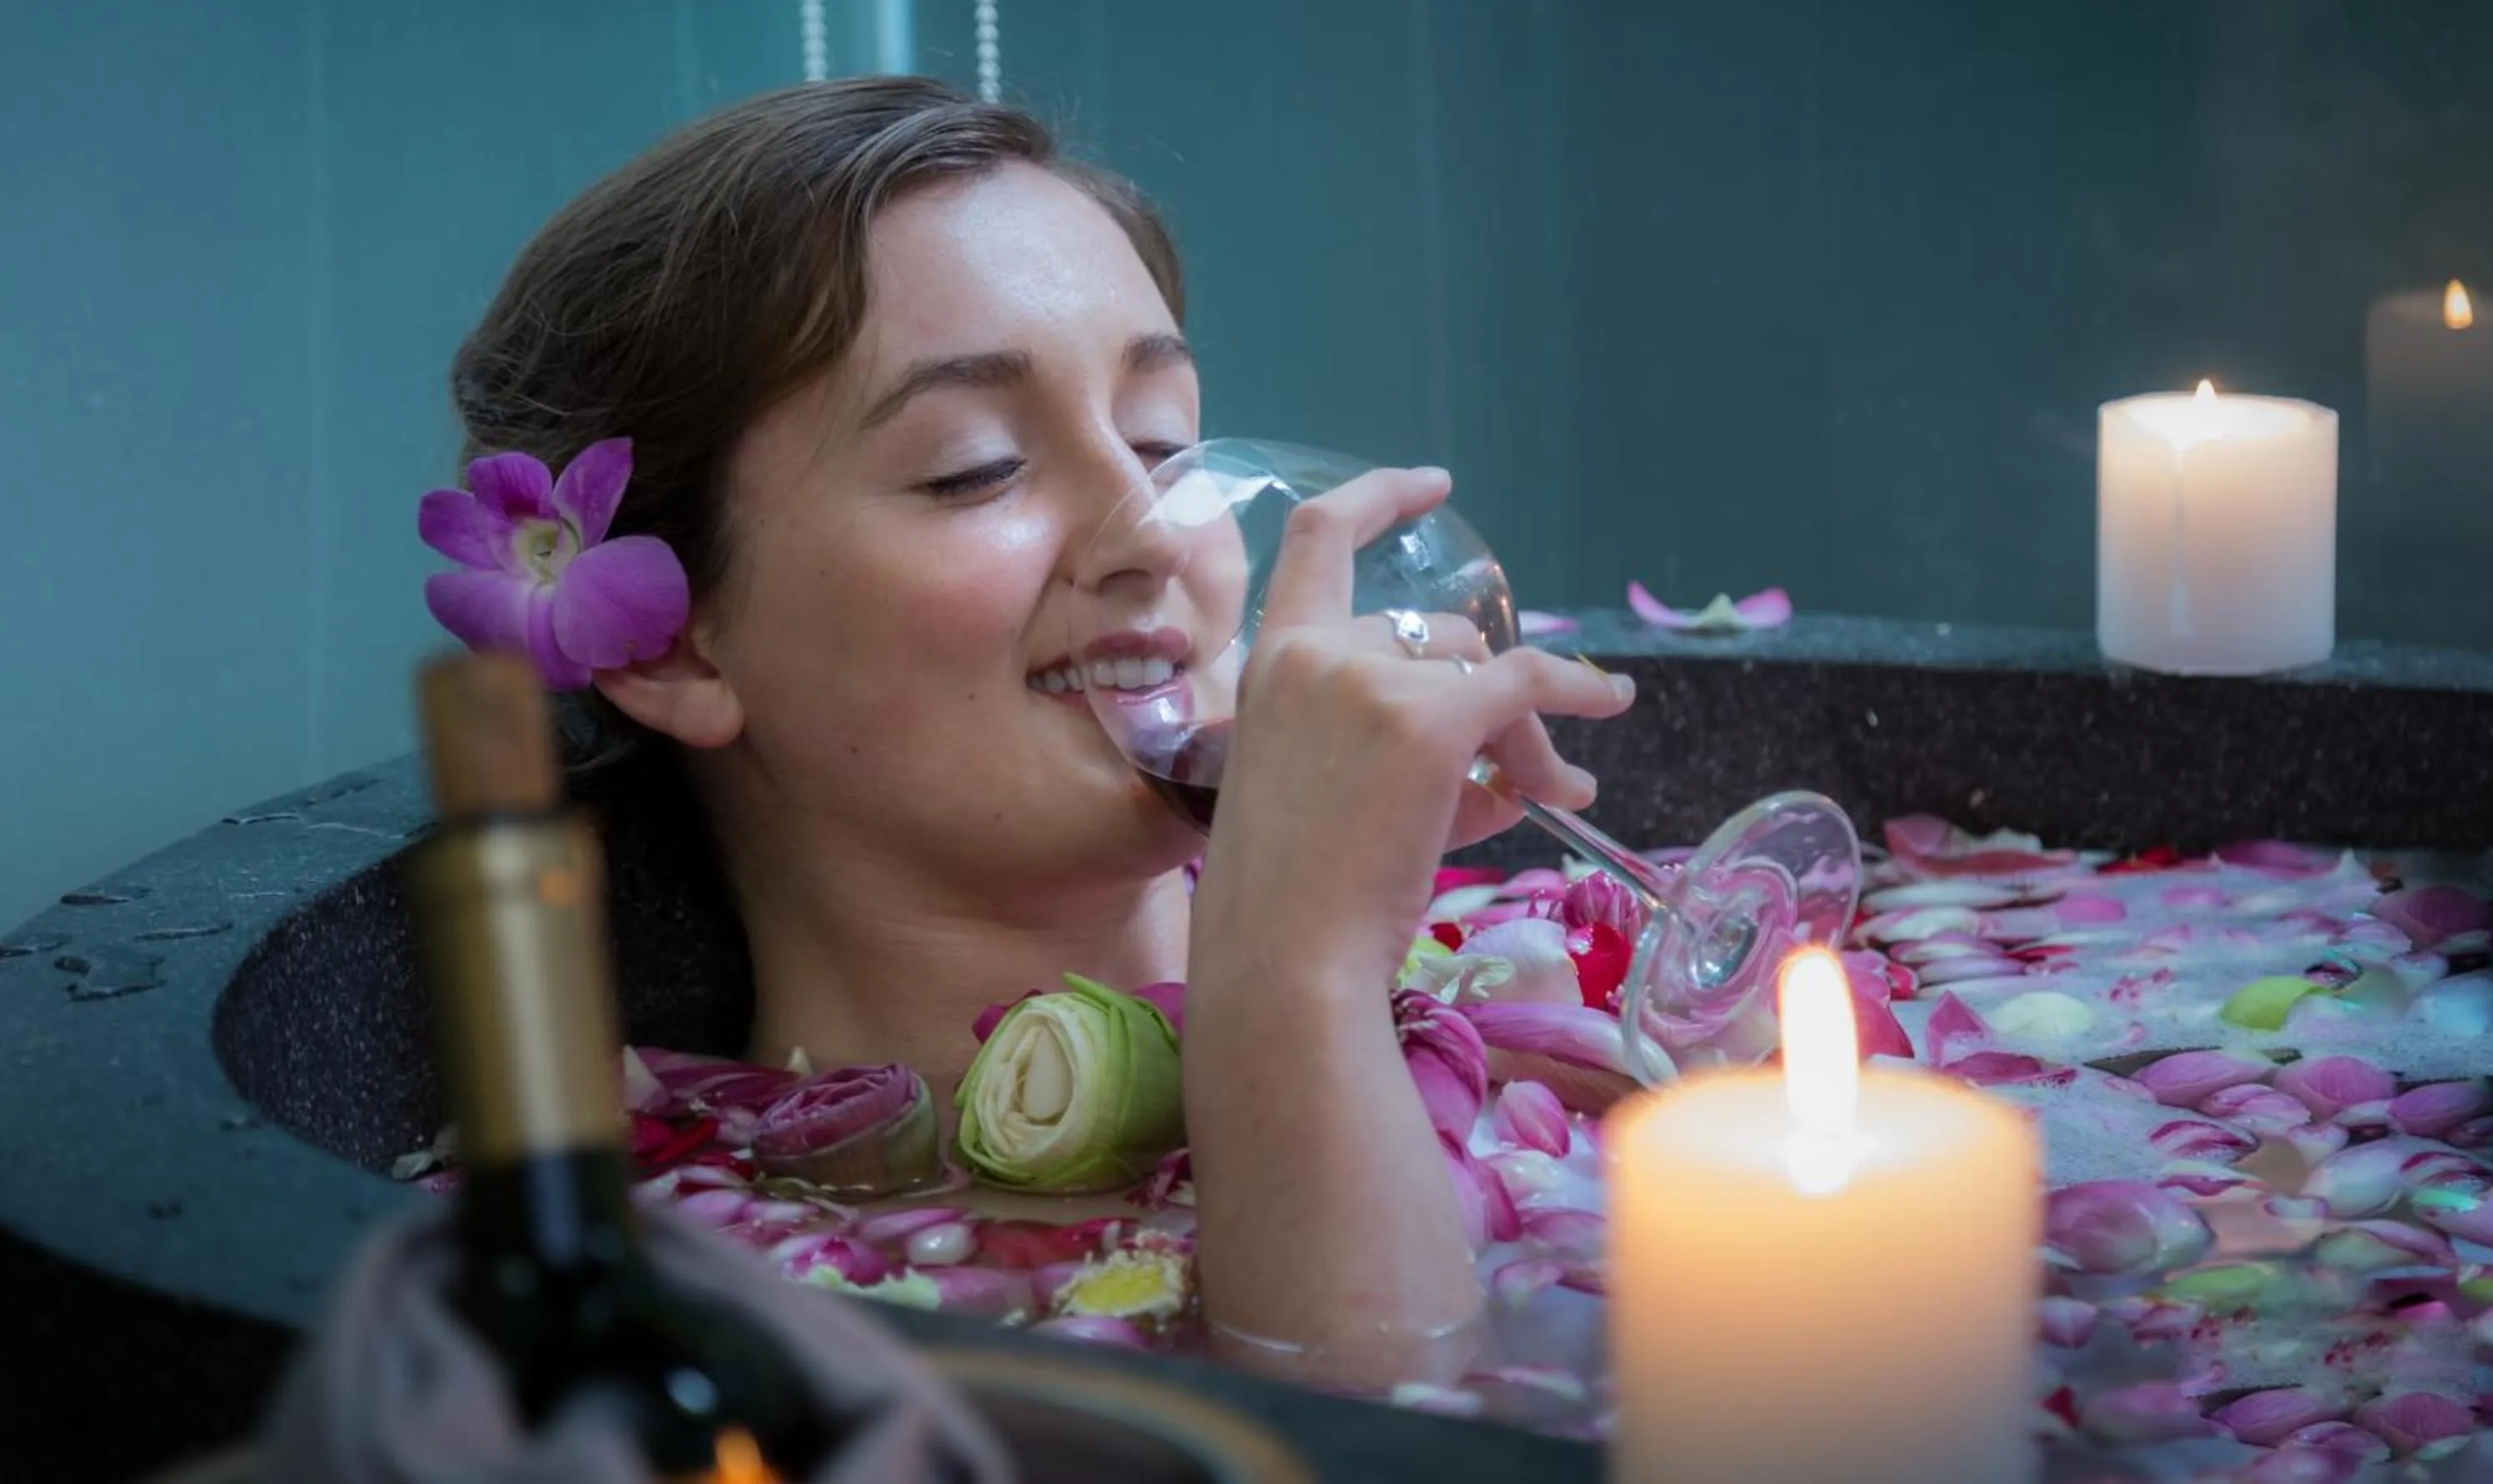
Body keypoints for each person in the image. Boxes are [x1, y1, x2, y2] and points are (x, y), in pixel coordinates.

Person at [442, 76, 1633, 1387]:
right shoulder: (677, 1324)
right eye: (975, 466)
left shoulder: (1568, 1007)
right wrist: (1296, 985)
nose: (1155, 533)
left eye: (1162, 436)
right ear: (671, 643)